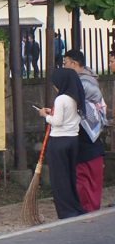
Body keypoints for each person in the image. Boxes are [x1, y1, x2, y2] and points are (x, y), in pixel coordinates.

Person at [37, 68, 86, 219]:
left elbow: (57, 122)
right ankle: (74, 207)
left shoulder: (61, 99)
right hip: (73, 139)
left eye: (55, 83)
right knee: (70, 176)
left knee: (59, 179)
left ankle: (66, 211)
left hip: (59, 141)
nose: (54, 86)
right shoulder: (75, 97)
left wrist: (45, 116)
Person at [64, 49, 108, 212]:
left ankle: (87, 209)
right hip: (90, 139)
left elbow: (76, 104)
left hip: (86, 135)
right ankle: (89, 208)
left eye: (65, 63)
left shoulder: (82, 82)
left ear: (74, 63)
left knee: (86, 178)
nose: (64, 66)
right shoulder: (88, 79)